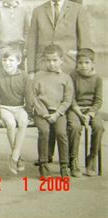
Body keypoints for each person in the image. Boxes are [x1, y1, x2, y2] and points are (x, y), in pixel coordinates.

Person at [27, 0, 91, 75]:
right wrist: (31, 71)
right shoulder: (38, 11)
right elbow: (32, 43)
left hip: (70, 66)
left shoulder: (78, 10)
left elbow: (85, 42)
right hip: (43, 67)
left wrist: (84, 68)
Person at [32, 44, 72, 177]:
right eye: (48, 60)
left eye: (55, 60)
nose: (52, 63)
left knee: (61, 133)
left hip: (58, 113)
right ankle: (43, 163)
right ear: (44, 60)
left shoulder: (66, 78)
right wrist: (43, 113)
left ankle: (64, 164)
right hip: (41, 112)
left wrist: (57, 114)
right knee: (44, 131)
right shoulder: (39, 76)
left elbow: (67, 100)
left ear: (61, 60)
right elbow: (34, 97)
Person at [0, 47, 32, 174]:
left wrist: (29, 112)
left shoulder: (24, 76)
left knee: (23, 122)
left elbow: (29, 95)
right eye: (4, 60)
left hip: (19, 107)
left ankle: (14, 156)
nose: (7, 63)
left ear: (18, 61)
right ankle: (17, 157)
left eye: (11, 60)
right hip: (4, 107)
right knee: (11, 123)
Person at [67, 48, 104, 177]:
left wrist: (90, 114)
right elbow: (70, 98)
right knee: (75, 127)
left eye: (87, 63)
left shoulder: (97, 78)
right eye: (80, 63)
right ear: (76, 63)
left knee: (99, 127)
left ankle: (92, 157)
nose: (83, 66)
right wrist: (79, 112)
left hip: (91, 110)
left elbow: (98, 101)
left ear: (93, 63)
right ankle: (74, 158)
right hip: (76, 109)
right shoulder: (73, 75)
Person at [0, 0, 31, 69]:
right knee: (3, 72)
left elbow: (27, 30)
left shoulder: (24, 10)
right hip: (4, 47)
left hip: (19, 47)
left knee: (18, 73)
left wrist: (26, 47)